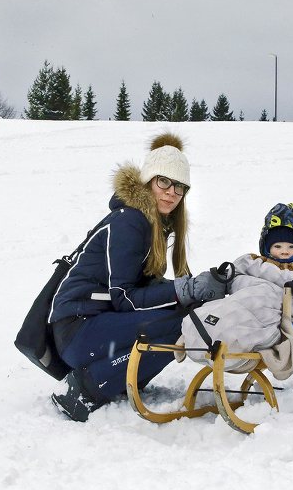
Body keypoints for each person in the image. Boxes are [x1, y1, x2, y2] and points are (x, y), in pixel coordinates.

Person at [49, 132, 227, 421]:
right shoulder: (130, 221)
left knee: (186, 313)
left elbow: (144, 291)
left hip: (95, 326)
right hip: (77, 330)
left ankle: (122, 377)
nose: (171, 192)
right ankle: (87, 388)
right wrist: (185, 290)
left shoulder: (153, 223)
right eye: (164, 182)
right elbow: (125, 299)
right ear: (148, 180)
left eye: (180, 186)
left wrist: (193, 290)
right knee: (182, 322)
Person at [181, 203, 293, 374]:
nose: (284, 252)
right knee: (231, 308)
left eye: (291, 247)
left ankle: (227, 339)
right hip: (243, 306)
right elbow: (235, 280)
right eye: (278, 246)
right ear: (267, 247)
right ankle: (204, 330)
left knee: (260, 301)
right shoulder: (254, 264)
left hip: (279, 318)